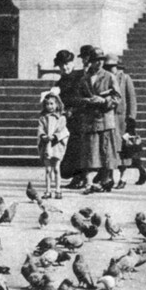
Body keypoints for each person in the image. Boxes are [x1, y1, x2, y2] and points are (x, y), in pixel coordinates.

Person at [76, 48, 121, 194]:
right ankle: (89, 182)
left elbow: (117, 97)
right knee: (90, 152)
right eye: (96, 60)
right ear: (91, 61)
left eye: (101, 60)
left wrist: (104, 100)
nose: (99, 63)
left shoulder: (109, 77)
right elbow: (78, 98)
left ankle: (106, 181)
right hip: (89, 120)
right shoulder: (84, 79)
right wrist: (87, 101)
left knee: (106, 152)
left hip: (105, 120)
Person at [103, 54, 146, 188]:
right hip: (109, 119)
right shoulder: (106, 78)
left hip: (122, 120)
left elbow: (132, 100)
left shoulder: (125, 78)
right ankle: (110, 177)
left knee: (125, 151)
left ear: (117, 67)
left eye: (112, 67)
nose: (110, 69)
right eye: (107, 67)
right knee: (111, 149)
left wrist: (131, 119)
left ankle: (123, 178)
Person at [53, 49, 86, 189]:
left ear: (73, 63)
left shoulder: (81, 77)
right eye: (61, 65)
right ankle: (76, 177)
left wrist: (71, 110)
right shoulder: (61, 81)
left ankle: (81, 178)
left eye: (67, 64)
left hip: (80, 117)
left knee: (78, 148)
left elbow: (83, 98)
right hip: (67, 119)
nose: (64, 68)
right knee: (70, 149)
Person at [37, 92, 70, 200]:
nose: (49, 106)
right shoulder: (43, 118)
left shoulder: (61, 118)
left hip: (56, 145)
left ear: (57, 104)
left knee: (56, 168)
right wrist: (43, 136)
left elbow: (63, 130)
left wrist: (55, 136)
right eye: (47, 104)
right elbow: (40, 129)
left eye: (52, 104)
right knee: (47, 169)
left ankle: (58, 190)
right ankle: (48, 190)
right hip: (47, 144)